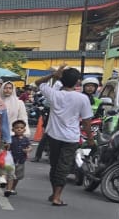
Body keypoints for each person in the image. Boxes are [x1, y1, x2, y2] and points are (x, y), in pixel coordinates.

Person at [37, 67, 94, 206]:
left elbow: (38, 83)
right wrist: (90, 138)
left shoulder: (54, 94)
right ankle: (57, 196)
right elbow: (86, 121)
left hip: (53, 136)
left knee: (55, 165)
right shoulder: (83, 98)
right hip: (71, 138)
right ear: (77, 82)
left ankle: (54, 193)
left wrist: (53, 75)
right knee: (63, 167)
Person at [5, 119, 30, 197]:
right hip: (11, 160)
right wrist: (6, 146)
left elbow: (29, 146)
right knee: (10, 175)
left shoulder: (26, 139)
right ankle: (8, 189)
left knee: (17, 176)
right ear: (13, 129)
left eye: (21, 128)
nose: (19, 129)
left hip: (21, 161)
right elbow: (7, 147)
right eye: (17, 128)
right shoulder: (11, 139)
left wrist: (28, 150)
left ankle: (13, 188)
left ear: (24, 130)